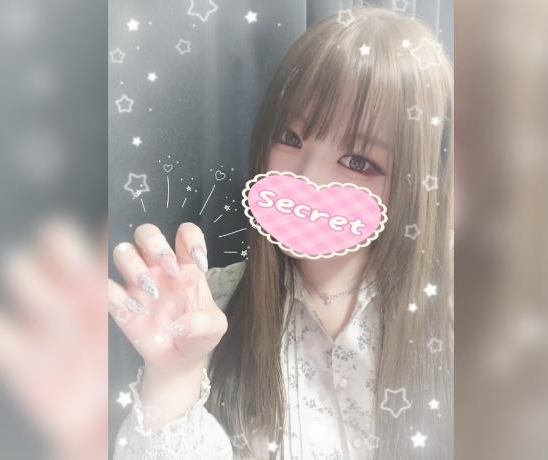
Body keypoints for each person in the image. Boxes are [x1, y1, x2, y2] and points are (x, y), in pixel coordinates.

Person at [109, 6, 453, 459]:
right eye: (290, 138)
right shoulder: (208, 305)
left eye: (357, 162)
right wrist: (173, 376)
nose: (305, 178)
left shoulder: (454, 320)